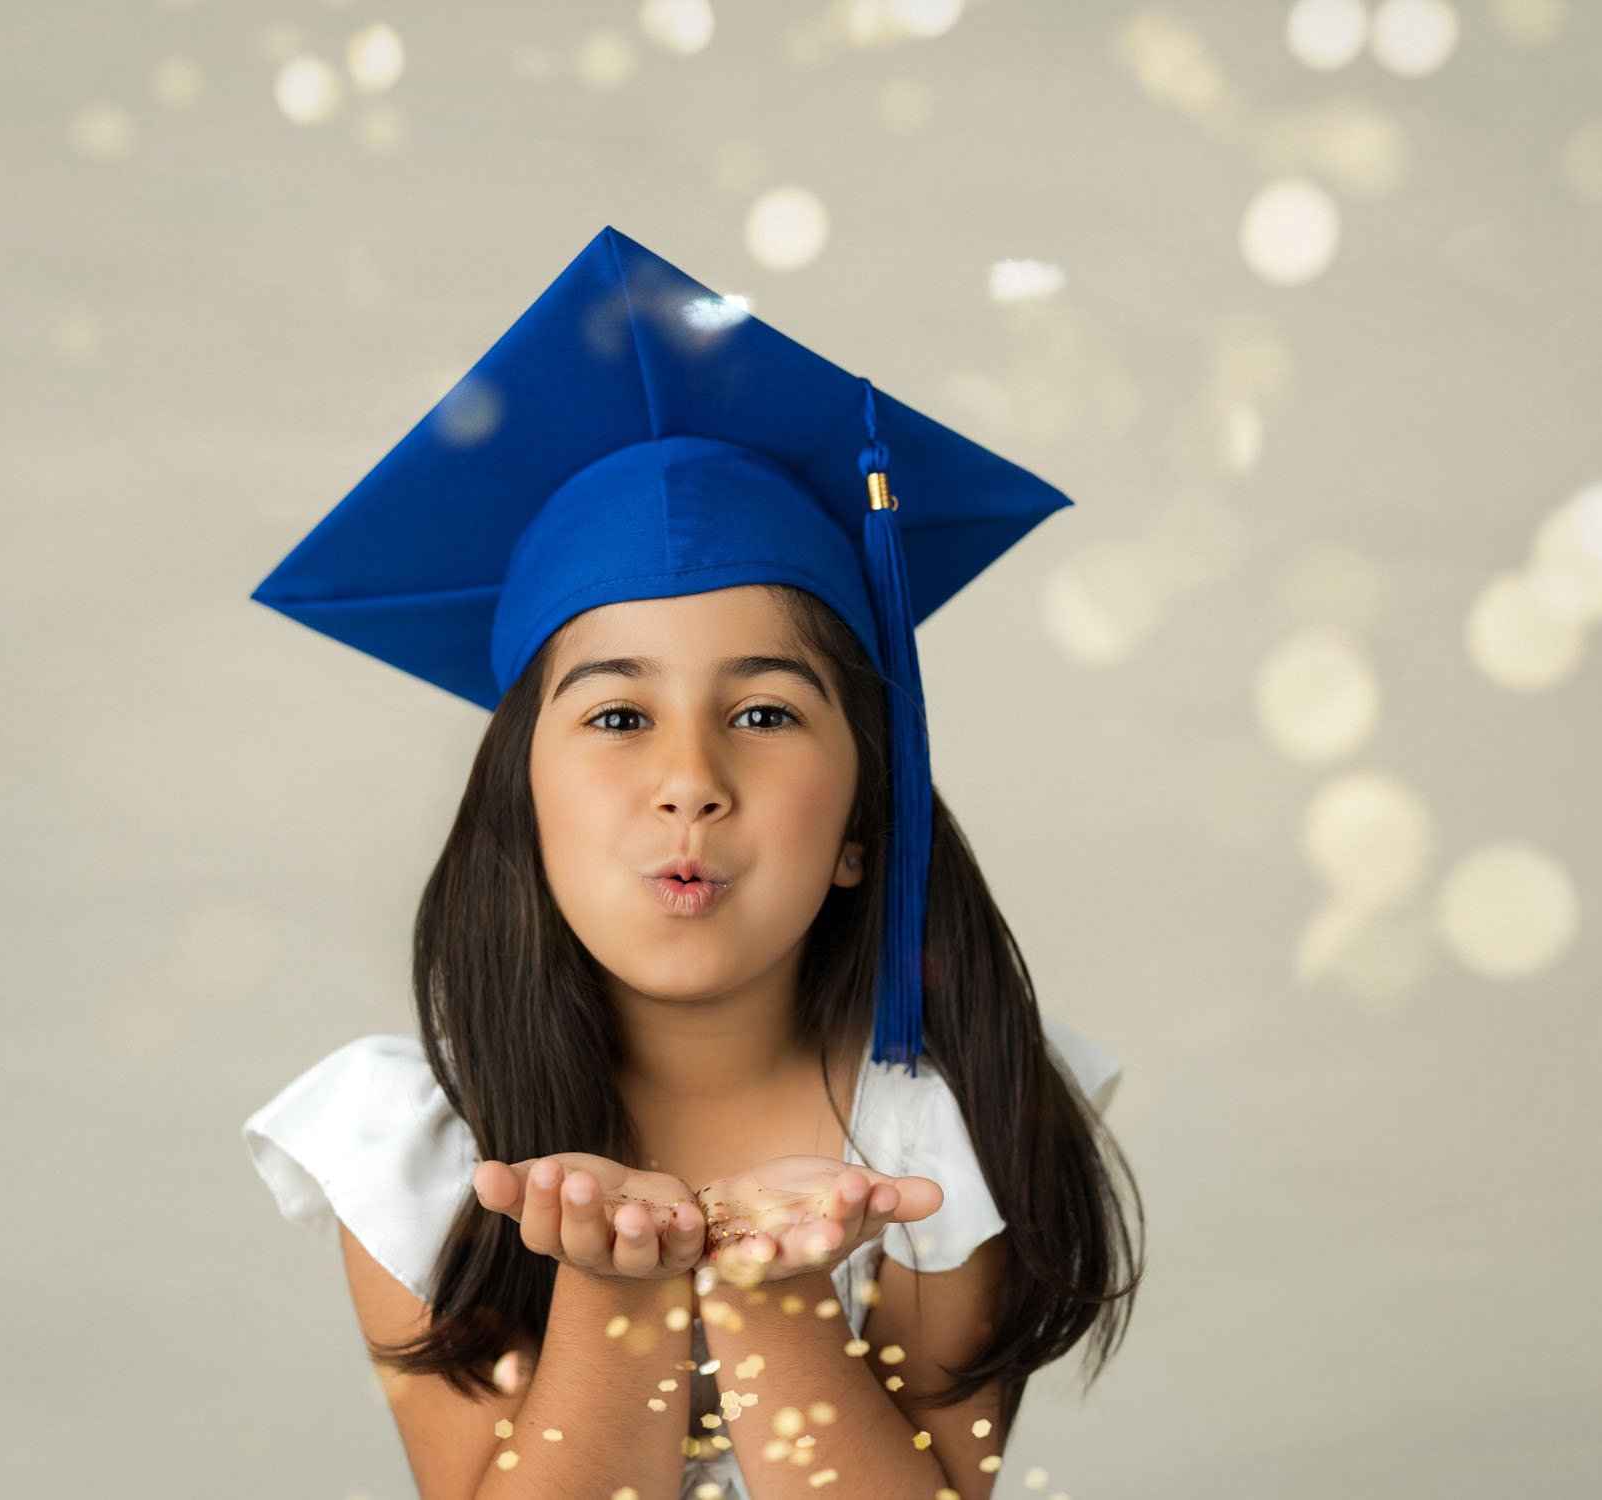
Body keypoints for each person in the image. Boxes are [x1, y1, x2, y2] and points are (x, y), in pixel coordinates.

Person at [240, 225, 1145, 1500]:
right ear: (521, 809)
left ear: (860, 827)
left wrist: (774, 1296)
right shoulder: (430, 1149)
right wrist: (620, 1289)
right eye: (616, 716)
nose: (690, 780)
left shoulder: (946, 1127)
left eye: (766, 713)